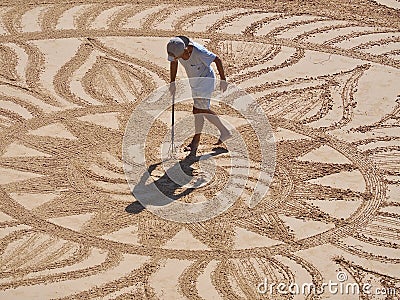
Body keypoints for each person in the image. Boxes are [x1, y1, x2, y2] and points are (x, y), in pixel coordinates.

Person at [167, 36, 231, 154]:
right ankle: (199, 141)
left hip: (206, 81)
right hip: (195, 83)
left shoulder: (199, 52)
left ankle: (219, 133)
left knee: (198, 110)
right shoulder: (177, 49)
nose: (174, 59)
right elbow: (174, 63)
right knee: (198, 111)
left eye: (175, 57)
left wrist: (223, 80)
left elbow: (217, 59)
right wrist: (172, 82)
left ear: (184, 51)